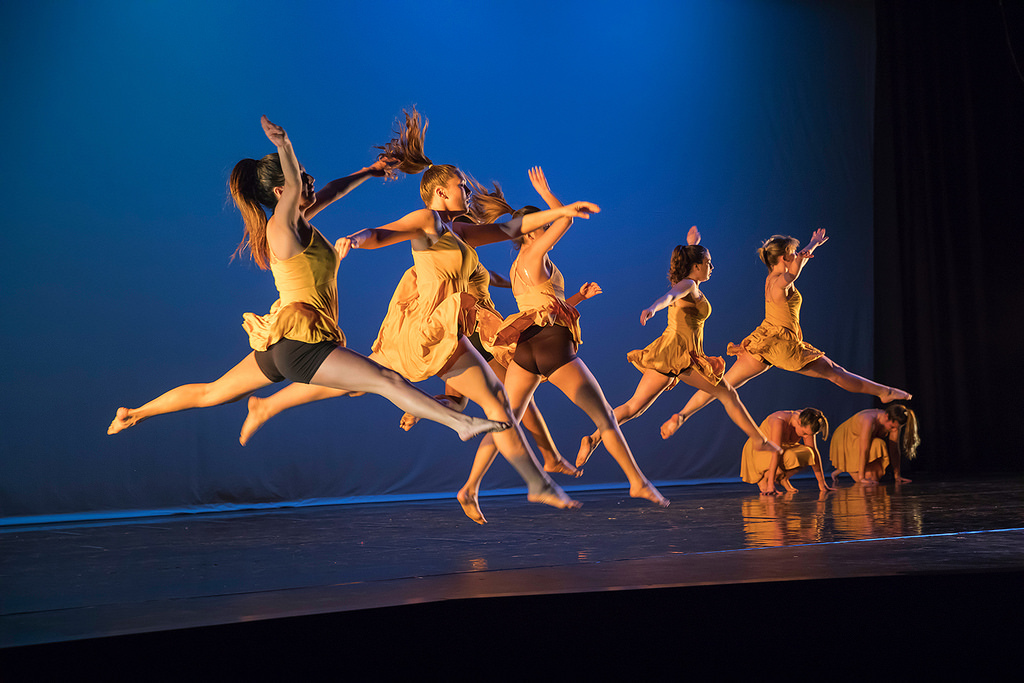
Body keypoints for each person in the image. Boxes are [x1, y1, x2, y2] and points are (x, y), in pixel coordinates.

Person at [236, 109, 599, 521]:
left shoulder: (458, 232)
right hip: (427, 328)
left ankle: (535, 477)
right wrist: (359, 238)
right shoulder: (427, 220)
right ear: (441, 193)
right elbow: (385, 232)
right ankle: (536, 470)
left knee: (387, 385)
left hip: (449, 326)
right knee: (476, 393)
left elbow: (512, 230)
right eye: (460, 186)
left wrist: (561, 211)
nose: (467, 191)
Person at [107, 116, 509, 442]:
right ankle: (462, 425)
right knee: (385, 379)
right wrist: (284, 145)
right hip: (300, 344)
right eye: (301, 176)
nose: (310, 180)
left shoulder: (299, 224)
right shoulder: (280, 228)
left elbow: (331, 191)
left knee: (213, 392)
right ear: (283, 190)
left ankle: (134, 413)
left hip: (283, 342)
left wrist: (370, 171)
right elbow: (302, 186)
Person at [459, 168, 669, 510]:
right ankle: (637, 482)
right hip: (551, 346)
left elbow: (544, 306)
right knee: (605, 418)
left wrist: (578, 299)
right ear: (528, 232)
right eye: (540, 224)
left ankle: (470, 487)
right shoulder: (532, 254)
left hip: (527, 347)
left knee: (504, 419)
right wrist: (550, 197)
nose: (545, 228)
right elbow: (566, 221)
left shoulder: (521, 266)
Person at [660, 230, 911, 438]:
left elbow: (796, 265)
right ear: (782, 258)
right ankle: (883, 391)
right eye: (791, 254)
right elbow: (793, 273)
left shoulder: (772, 277)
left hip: (763, 340)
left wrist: (811, 246)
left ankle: (682, 415)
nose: (796, 257)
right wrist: (810, 247)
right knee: (835, 372)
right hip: (781, 344)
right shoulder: (781, 280)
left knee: (723, 384)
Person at [578, 227, 783, 465]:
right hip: (683, 356)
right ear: (696, 266)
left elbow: (681, 287)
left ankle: (593, 439)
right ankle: (759, 440)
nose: (712, 267)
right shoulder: (688, 285)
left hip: (667, 353)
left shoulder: (690, 283)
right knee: (728, 395)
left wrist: (693, 243)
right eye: (708, 262)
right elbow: (671, 296)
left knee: (634, 407)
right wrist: (653, 308)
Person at [740, 408, 833, 495]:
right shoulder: (779, 421)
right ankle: (765, 480)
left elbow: (814, 453)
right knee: (791, 456)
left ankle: (783, 478)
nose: (806, 437)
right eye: (804, 433)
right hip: (760, 450)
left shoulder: (809, 420)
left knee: (809, 454)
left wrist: (822, 483)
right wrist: (770, 485)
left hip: (782, 449)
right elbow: (775, 452)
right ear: (799, 422)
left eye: (809, 434)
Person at [829, 404, 919, 484]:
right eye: (892, 427)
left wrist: (897, 475)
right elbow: (864, 449)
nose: (895, 430)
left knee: (874, 477)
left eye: (897, 428)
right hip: (845, 439)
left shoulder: (894, 423)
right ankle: (845, 465)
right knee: (877, 446)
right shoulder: (868, 420)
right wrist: (861, 477)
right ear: (886, 416)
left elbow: (894, 450)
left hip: (859, 441)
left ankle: (842, 468)